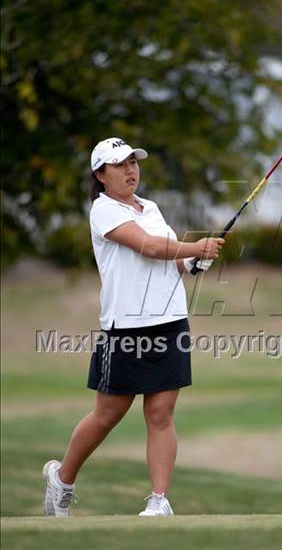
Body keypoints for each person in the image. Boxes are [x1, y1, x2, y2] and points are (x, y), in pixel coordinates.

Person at [42, 137, 224, 517]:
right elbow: (150, 247)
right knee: (108, 414)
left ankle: (159, 501)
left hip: (170, 321)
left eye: (133, 162)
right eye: (119, 164)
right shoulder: (103, 211)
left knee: (161, 413)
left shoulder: (151, 208)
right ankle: (63, 479)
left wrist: (194, 263)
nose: (130, 170)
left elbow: (170, 260)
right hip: (125, 327)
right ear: (100, 174)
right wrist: (196, 248)